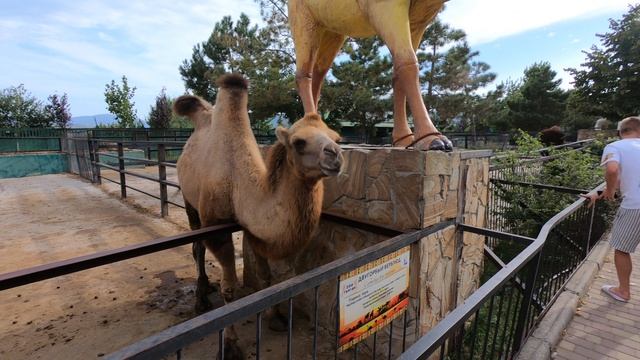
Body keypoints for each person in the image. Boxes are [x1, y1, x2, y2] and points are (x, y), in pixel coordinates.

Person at [583, 116, 640, 302]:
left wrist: (608, 190)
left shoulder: (615, 147)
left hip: (635, 206)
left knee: (622, 249)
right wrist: (601, 191)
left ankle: (623, 291)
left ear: (621, 131)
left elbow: (613, 170)